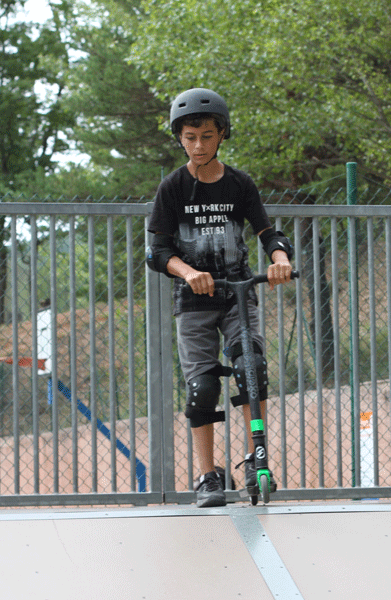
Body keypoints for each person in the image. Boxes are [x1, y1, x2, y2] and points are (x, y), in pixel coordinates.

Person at [147, 88, 295, 507]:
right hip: (193, 301)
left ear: (222, 134)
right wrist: (189, 272)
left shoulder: (239, 184)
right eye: (190, 137)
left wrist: (280, 259)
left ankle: (254, 459)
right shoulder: (172, 188)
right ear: (179, 137)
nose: (198, 145)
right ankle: (207, 475)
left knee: (251, 367)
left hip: (237, 294)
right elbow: (158, 253)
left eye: (207, 136)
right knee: (203, 387)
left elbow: (268, 233)